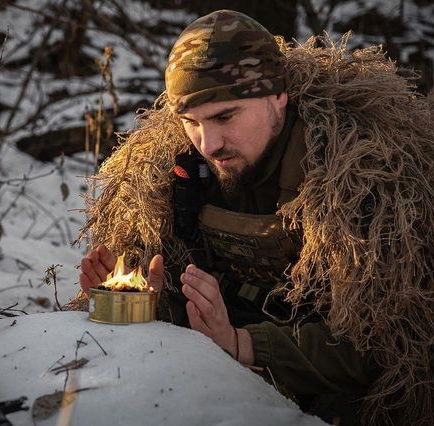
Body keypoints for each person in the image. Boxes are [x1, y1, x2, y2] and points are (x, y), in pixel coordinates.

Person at [73, 10, 433, 426]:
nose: (209, 142)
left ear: (278, 96)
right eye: (191, 122)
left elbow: (385, 347)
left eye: (226, 116)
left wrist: (242, 344)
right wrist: (141, 303)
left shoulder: (360, 175)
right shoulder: (175, 173)